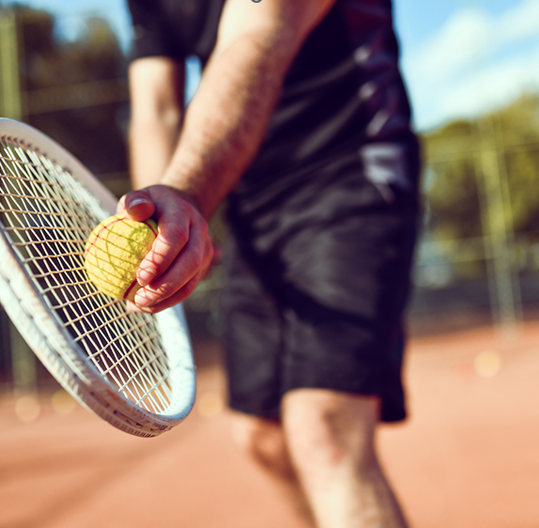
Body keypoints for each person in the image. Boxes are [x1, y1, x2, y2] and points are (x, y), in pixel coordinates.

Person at [119, 0, 420, 526]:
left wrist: (187, 195)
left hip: (351, 168)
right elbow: (156, 109)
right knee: (263, 436)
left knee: (322, 427)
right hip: (249, 200)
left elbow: (256, 37)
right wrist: (158, 226)